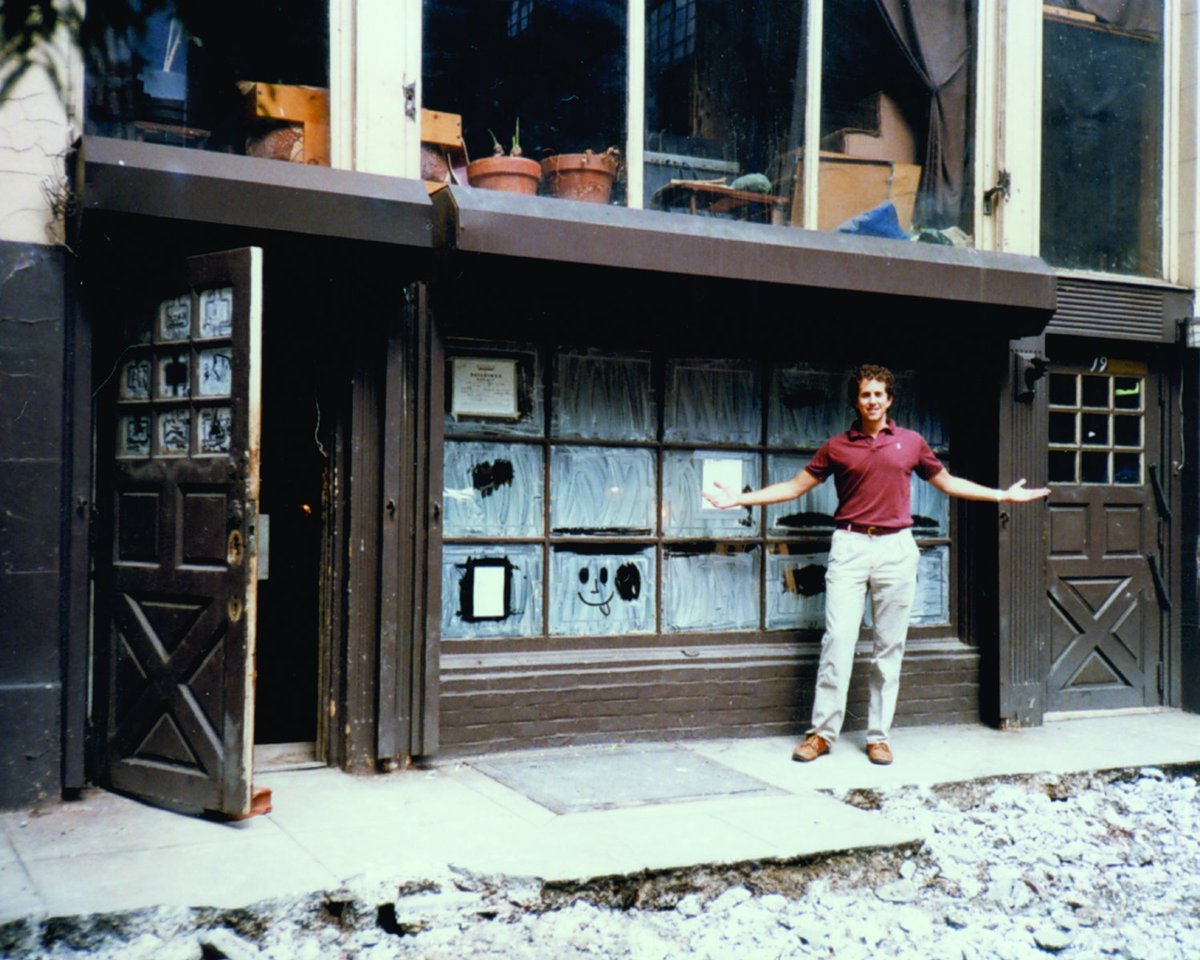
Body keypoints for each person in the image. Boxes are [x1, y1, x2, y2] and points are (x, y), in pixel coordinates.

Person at [704, 364, 1049, 765]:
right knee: (838, 640)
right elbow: (794, 487)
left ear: (889, 399)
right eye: (865, 394)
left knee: (889, 646)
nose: (872, 401)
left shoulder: (911, 442)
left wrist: (1002, 496)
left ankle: (878, 737)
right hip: (850, 546)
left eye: (878, 394)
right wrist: (739, 499)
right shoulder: (837, 447)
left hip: (896, 548)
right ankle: (821, 733)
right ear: (857, 400)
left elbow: (948, 483)